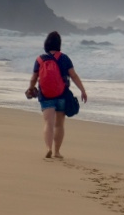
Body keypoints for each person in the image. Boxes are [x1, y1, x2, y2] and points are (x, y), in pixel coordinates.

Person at [25, 31, 87, 159]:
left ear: (46, 44)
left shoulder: (40, 59)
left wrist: (31, 89)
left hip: (46, 95)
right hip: (62, 94)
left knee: (48, 123)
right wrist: (82, 90)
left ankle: (48, 149)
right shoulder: (64, 58)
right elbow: (73, 76)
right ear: (59, 44)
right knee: (59, 124)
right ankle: (57, 152)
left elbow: (34, 78)